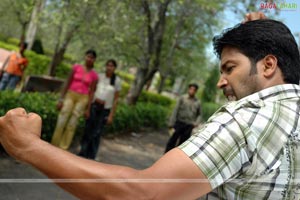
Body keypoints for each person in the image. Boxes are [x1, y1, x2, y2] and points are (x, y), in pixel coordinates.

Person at [1, 12, 300, 200]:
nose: (221, 82)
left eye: (230, 68)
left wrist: (28, 146)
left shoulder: (243, 121)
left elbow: (143, 192)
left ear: (269, 64)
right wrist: (270, 34)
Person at [51, 50, 98, 150]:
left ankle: (63, 147)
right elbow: (67, 82)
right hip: (70, 95)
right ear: (85, 57)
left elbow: (92, 92)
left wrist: (88, 109)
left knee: (73, 123)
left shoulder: (94, 75)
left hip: (83, 98)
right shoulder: (76, 67)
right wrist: (61, 99)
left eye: (92, 58)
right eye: (88, 56)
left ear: (94, 60)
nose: (89, 59)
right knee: (62, 118)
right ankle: (54, 144)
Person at [79, 59, 121, 159]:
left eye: (112, 66)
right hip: (94, 106)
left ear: (114, 68)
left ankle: (91, 156)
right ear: (105, 66)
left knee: (97, 133)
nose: (109, 67)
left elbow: (115, 99)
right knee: (88, 130)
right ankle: (82, 152)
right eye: (108, 65)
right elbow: (92, 91)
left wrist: (111, 115)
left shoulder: (117, 81)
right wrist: (88, 108)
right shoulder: (99, 76)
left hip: (105, 109)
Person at [165, 83, 201, 153]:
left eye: (194, 90)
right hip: (179, 123)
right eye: (190, 89)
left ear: (196, 91)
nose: (192, 91)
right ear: (188, 89)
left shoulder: (197, 102)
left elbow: (199, 114)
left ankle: (176, 159)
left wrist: (196, 123)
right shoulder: (182, 98)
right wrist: (171, 123)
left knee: (182, 145)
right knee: (172, 140)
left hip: (189, 125)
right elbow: (175, 110)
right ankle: (166, 155)